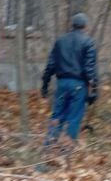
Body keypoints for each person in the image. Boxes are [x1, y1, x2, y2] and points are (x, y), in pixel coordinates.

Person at [41, 13, 98, 146]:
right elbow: (89, 69)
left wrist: (45, 84)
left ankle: (49, 147)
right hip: (79, 85)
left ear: (72, 25)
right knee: (74, 118)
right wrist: (94, 89)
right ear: (85, 26)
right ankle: (67, 152)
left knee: (57, 115)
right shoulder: (88, 42)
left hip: (61, 83)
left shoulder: (60, 41)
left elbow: (50, 65)